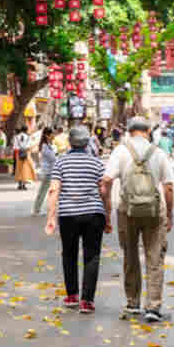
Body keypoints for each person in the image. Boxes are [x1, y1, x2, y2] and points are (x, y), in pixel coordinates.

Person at [102, 117, 174, 322]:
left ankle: (133, 303)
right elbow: (169, 187)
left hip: (127, 211)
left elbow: (106, 181)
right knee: (155, 258)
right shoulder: (158, 152)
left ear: (129, 131)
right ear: (147, 131)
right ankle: (153, 306)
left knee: (130, 256)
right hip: (154, 212)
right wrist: (169, 214)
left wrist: (107, 210)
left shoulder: (120, 151)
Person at [43, 126, 109, 314]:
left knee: (69, 254)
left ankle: (72, 295)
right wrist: (108, 215)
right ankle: (87, 301)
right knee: (92, 256)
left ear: (70, 142)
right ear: (88, 142)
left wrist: (51, 218)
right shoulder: (96, 163)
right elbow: (103, 192)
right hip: (94, 214)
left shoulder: (61, 163)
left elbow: (54, 190)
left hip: (68, 215)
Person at [33, 128, 58, 216]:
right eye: (52, 134)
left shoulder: (50, 145)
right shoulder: (45, 146)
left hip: (52, 171)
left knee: (50, 191)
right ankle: (37, 210)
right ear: (47, 135)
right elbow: (53, 158)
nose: (54, 135)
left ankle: (45, 209)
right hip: (48, 172)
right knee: (43, 191)